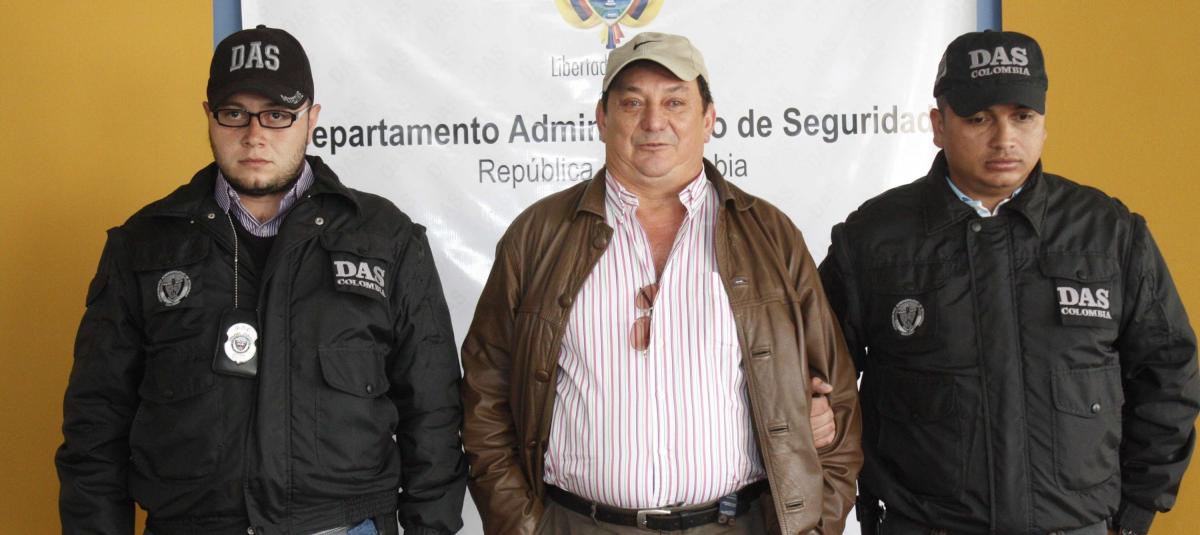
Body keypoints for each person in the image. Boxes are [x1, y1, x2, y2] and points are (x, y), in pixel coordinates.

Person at [55, 26, 466, 535]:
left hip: (342, 524)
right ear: (209, 116)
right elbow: (96, 424)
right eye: (235, 113)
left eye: (277, 114)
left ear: (311, 119)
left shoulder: (387, 239)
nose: (255, 135)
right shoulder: (143, 245)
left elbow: (434, 416)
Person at [461, 32, 861, 535]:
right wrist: (523, 527)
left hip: (736, 524)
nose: (654, 122)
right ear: (602, 118)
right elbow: (485, 396)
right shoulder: (537, 236)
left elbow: (836, 400)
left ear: (708, 119)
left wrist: (815, 526)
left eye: (675, 102)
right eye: (633, 103)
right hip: (575, 524)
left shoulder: (770, 236)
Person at [819, 30, 1200, 535]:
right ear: (938, 125)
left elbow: (1168, 374)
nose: (1004, 139)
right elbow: (816, 381)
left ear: (1043, 121)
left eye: (1022, 117)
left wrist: (1133, 514)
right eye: (978, 118)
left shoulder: (1108, 233)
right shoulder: (873, 238)